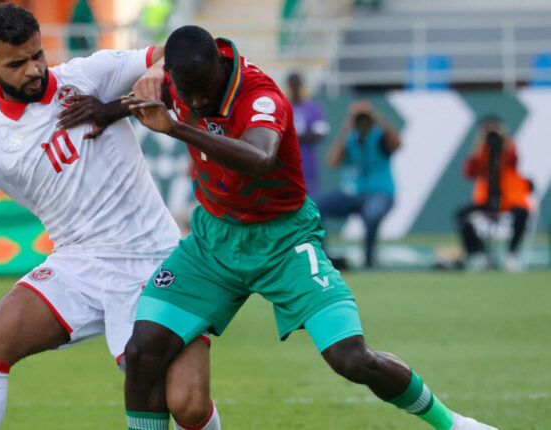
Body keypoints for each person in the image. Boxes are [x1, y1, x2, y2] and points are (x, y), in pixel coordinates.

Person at [119, 25, 495, 430]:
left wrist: (176, 127)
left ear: (219, 66)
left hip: (284, 240)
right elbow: (146, 96)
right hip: (213, 241)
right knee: (142, 353)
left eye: (202, 90)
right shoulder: (182, 81)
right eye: (186, 91)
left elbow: (260, 158)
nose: (195, 100)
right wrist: (102, 110)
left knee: (351, 358)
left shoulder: (260, 96)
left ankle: (453, 424)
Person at [0, 5, 218, 430]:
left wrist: (155, 73)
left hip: (156, 258)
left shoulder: (90, 75)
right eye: (16, 64)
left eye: (37, 55)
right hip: (78, 264)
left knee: (187, 405)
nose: (33, 70)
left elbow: (178, 49)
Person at [315, 100, 400, 268]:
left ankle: (369, 258)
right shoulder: (350, 138)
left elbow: (397, 144)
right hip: (352, 192)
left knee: (372, 214)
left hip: (379, 191)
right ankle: (323, 255)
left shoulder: (379, 136)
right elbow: (333, 162)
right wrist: (346, 128)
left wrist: (377, 118)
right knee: (315, 207)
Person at [455, 115, 532, 272]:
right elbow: (469, 172)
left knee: (522, 213)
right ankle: (478, 254)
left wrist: (503, 141)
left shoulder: (508, 147)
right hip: (486, 201)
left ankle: (511, 254)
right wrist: (480, 145)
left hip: (509, 200)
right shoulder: (481, 150)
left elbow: (514, 159)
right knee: (462, 216)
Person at [287, 72, 329, 197]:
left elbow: (320, 133)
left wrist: (292, 137)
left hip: (308, 162)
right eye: (292, 85)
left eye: (297, 85)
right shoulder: (283, 107)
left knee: (310, 197)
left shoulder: (313, 108)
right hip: (287, 164)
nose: (295, 89)